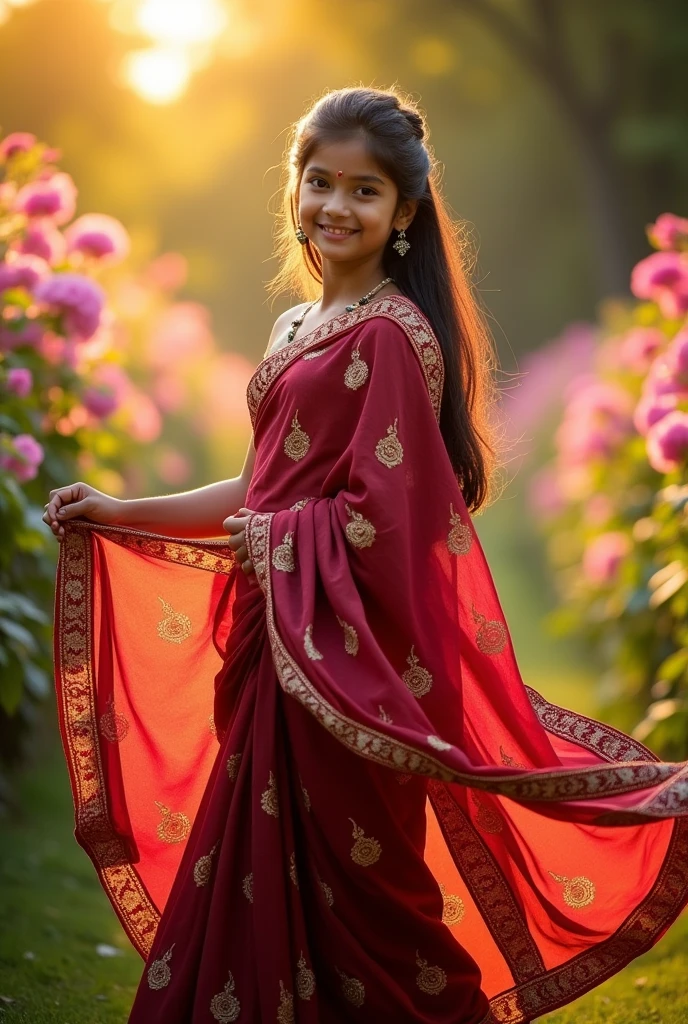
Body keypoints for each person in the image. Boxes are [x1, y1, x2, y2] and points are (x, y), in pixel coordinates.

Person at [46, 86, 688, 1024]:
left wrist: (274, 541)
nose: (335, 207)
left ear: (404, 214)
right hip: (281, 646)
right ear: (293, 189)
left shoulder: (394, 336)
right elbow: (260, 487)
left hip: (356, 666)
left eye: (365, 191)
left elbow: (386, 521)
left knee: (378, 908)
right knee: (263, 877)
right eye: (320, 183)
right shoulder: (293, 329)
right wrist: (120, 508)